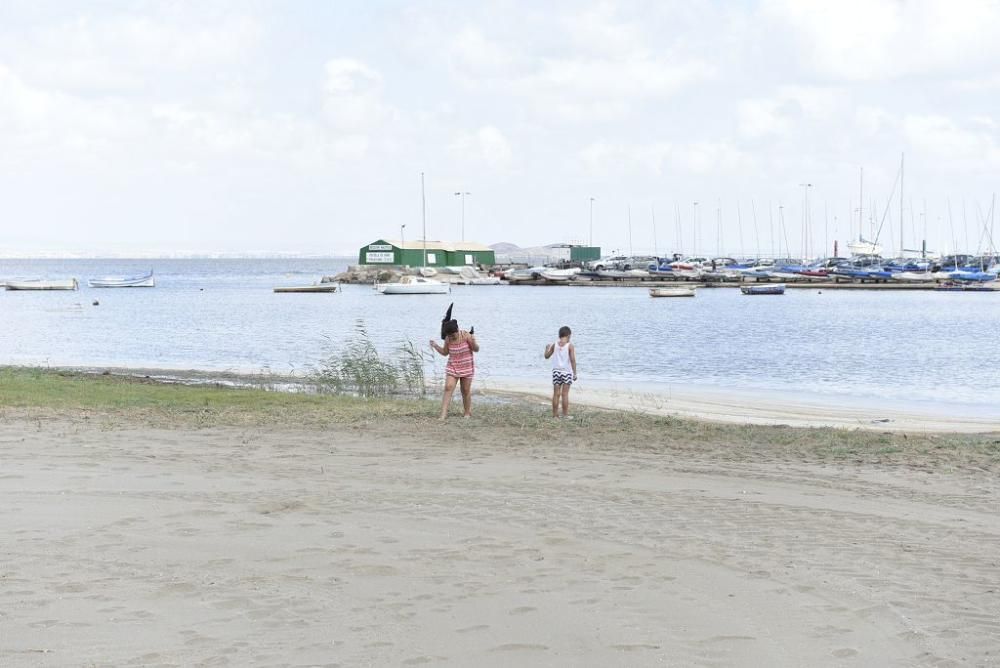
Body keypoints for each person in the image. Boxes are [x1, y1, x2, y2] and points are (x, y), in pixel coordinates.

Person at [430, 319, 479, 419]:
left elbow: (476, 349)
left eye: (453, 335)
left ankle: (467, 413)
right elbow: (445, 353)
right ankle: (443, 415)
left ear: (457, 329)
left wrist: (473, 341)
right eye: (449, 336)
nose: (451, 337)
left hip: (467, 367)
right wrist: (435, 345)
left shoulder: (466, 336)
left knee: (465, 390)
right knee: (448, 387)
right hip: (453, 366)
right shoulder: (448, 339)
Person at [544, 325, 577, 418]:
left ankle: (555, 415)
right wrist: (575, 373)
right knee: (565, 394)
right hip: (566, 372)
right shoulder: (570, 346)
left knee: (556, 394)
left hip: (556, 372)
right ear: (568, 335)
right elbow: (573, 360)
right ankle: (565, 415)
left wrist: (546, 348)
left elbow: (546, 356)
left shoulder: (555, 345)